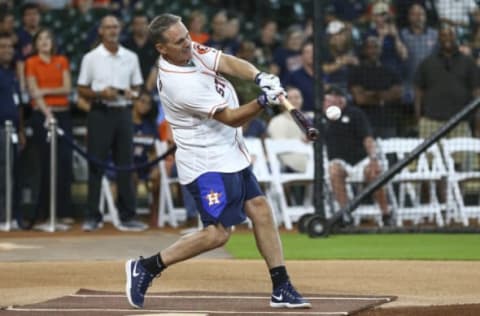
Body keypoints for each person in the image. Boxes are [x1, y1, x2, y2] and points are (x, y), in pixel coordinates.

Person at [125, 13, 311, 310]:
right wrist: (263, 101)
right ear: (162, 48)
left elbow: (225, 62)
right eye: (180, 41)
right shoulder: (178, 84)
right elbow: (231, 118)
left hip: (230, 154)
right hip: (206, 164)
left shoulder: (189, 51)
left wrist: (258, 76)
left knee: (260, 210)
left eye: (187, 36)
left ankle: (281, 286)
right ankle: (147, 267)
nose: (189, 44)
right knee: (217, 234)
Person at [77, 15, 147, 232]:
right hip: (99, 111)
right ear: (100, 31)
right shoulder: (91, 58)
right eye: (108, 27)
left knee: (125, 164)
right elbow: (81, 88)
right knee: (96, 164)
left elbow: (138, 89)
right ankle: (92, 216)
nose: (112, 31)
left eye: (115, 27)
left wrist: (130, 94)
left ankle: (128, 215)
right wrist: (100, 93)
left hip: (124, 112)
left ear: (120, 30)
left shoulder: (131, 57)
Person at [25, 28, 74, 222]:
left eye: (48, 38)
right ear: (36, 43)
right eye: (41, 38)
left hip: (64, 115)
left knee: (64, 163)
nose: (45, 41)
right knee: (45, 164)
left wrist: (44, 90)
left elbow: (67, 88)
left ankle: (63, 212)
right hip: (42, 116)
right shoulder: (31, 63)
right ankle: (44, 212)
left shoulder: (61, 61)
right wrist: (48, 114)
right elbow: (33, 93)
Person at [323, 86, 391, 225]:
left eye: (334, 99)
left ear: (342, 101)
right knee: (334, 171)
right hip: (339, 162)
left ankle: (386, 214)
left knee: (373, 174)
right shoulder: (321, 119)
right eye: (327, 100)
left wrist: (373, 159)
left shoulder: (355, 114)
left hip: (361, 160)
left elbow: (368, 139)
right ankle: (345, 213)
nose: (329, 103)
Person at [0, 32, 24, 224]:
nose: (7, 50)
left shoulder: (13, 73)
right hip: (1, 129)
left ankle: (12, 215)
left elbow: (19, 105)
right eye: (3, 46)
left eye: (10, 46)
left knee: (13, 174)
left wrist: (21, 130)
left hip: (13, 131)